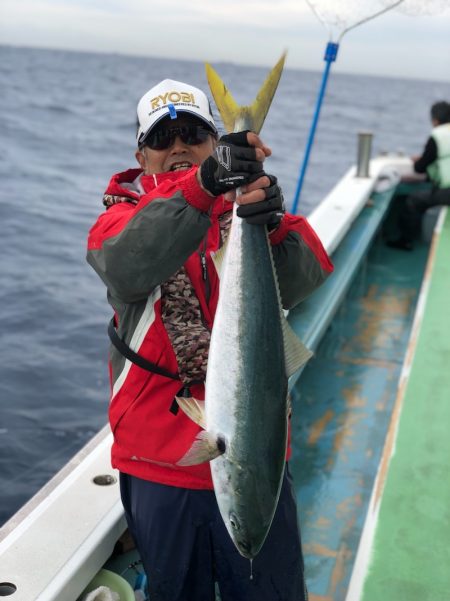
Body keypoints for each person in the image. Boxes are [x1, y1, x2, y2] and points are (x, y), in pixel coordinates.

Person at [87, 77, 333, 601]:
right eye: (162, 138)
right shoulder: (118, 220)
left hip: (257, 448)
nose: (177, 145)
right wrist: (201, 186)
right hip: (160, 466)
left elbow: (305, 276)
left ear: (213, 142)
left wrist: (269, 226)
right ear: (141, 154)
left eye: (193, 133)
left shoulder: (244, 212)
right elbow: (127, 265)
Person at [388, 100, 450, 250]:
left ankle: (406, 241)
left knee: (414, 201)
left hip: (447, 192)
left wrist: (420, 160)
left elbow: (420, 168)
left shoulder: (437, 135)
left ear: (435, 120)